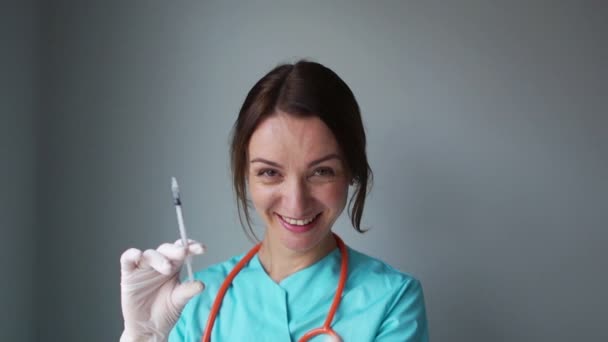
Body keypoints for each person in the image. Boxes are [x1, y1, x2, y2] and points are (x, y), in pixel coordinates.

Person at [120, 60, 429, 341]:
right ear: (246, 173)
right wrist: (143, 338)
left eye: (321, 171)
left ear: (351, 171)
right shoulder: (192, 300)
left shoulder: (392, 300)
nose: (296, 202)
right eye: (270, 172)